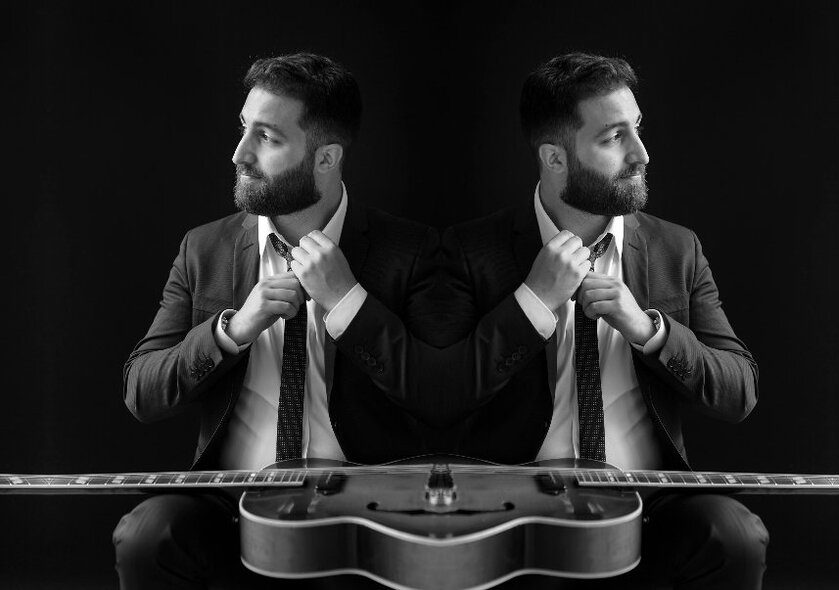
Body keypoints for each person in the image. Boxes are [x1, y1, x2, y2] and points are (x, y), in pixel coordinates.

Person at [440, 53, 769, 588]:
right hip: (517, 512)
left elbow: (740, 391)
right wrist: (531, 303)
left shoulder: (675, 249)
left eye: (635, 129)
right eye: (613, 137)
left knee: (731, 534)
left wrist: (648, 329)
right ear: (555, 158)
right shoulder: (471, 252)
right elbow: (441, 396)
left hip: (653, 509)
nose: (641, 153)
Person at [113, 52, 437, 589]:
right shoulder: (205, 248)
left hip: (363, 511)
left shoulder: (408, 251)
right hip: (227, 509)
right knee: (149, 535)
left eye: (268, 137)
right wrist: (233, 329)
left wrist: (350, 302)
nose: (240, 153)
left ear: (326, 157)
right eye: (245, 129)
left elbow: (440, 398)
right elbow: (141, 390)